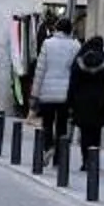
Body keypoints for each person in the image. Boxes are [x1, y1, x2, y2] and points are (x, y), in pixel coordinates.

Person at [29, 18, 79, 170]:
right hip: (66, 93)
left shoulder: (47, 44)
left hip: (47, 92)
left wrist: (34, 94)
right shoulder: (76, 46)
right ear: (71, 30)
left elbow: (40, 70)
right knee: (62, 126)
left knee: (47, 123)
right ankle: (59, 158)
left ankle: (48, 147)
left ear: (57, 28)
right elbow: (76, 72)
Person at [67, 31, 104, 171]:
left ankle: (85, 161)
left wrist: (71, 101)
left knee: (84, 133)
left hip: (81, 101)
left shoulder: (79, 60)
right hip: (99, 102)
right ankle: (94, 161)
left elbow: (73, 82)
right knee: (95, 133)